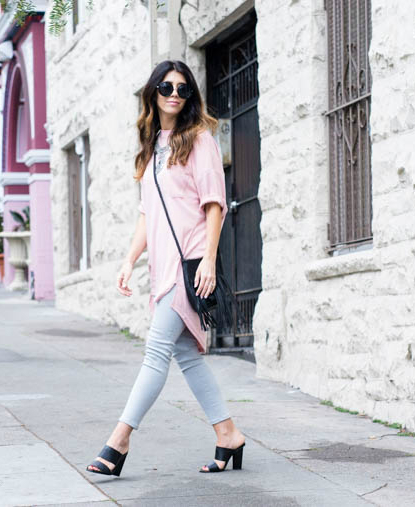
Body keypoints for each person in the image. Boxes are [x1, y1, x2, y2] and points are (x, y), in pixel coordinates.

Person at [86, 60, 246, 477]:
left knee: (156, 352)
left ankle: (118, 442)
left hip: (189, 264)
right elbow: (147, 213)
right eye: (166, 87)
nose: (175, 94)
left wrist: (209, 260)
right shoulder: (153, 145)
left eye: (183, 88)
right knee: (186, 358)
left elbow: (215, 203)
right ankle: (228, 433)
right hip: (162, 269)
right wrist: (128, 259)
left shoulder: (199, 139)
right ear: (153, 92)